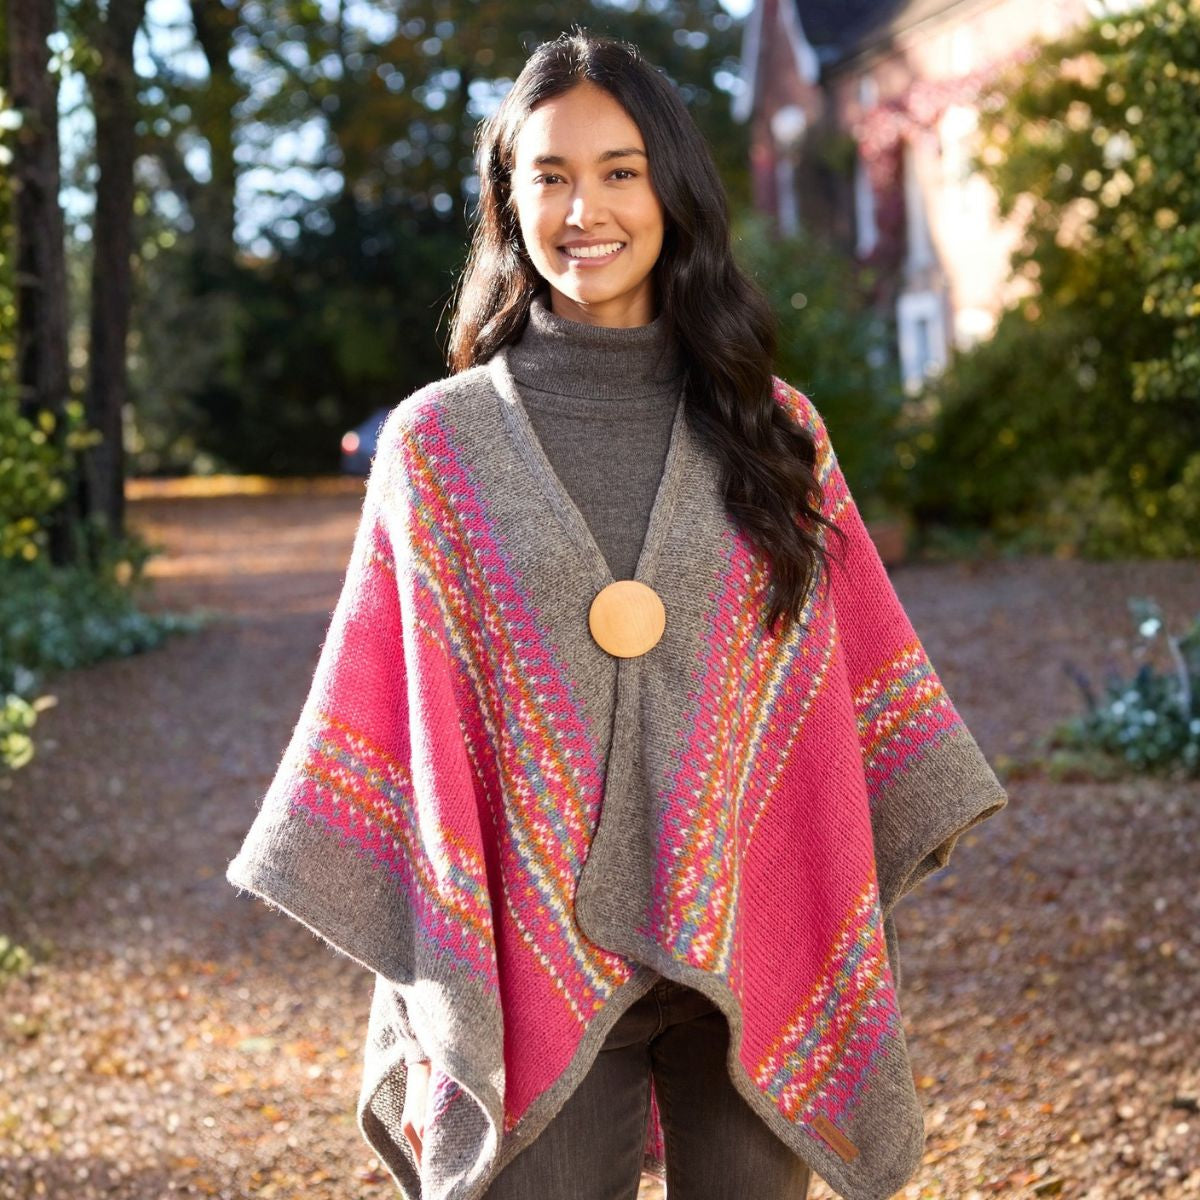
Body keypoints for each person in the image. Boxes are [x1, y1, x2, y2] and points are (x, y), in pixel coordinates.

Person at [226, 26, 1008, 1200]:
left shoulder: (775, 431)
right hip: (526, 960)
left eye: (618, 170)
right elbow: (400, 707)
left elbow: (839, 683)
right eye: (547, 176)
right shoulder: (440, 447)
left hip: (756, 932)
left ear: (675, 190)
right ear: (508, 200)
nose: (582, 209)